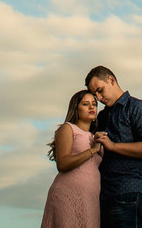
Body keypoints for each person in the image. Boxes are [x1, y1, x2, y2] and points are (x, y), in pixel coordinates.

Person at [85, 65, 142, 228]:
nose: (99, 97)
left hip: (128, 192)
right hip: (104, 195)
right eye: (95, 94)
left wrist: (113, 146)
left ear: (111, 80)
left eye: (100, 90)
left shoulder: (136, 106)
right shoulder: (102, 116)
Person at [40, 89, 103, 228]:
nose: (92, 107)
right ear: (76, 108)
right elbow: (62, 163)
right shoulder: (68, 129)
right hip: (67, 194)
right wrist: (92, 150)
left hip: (90, 198)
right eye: (86, 104)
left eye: (94, 104)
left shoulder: (95, 137)